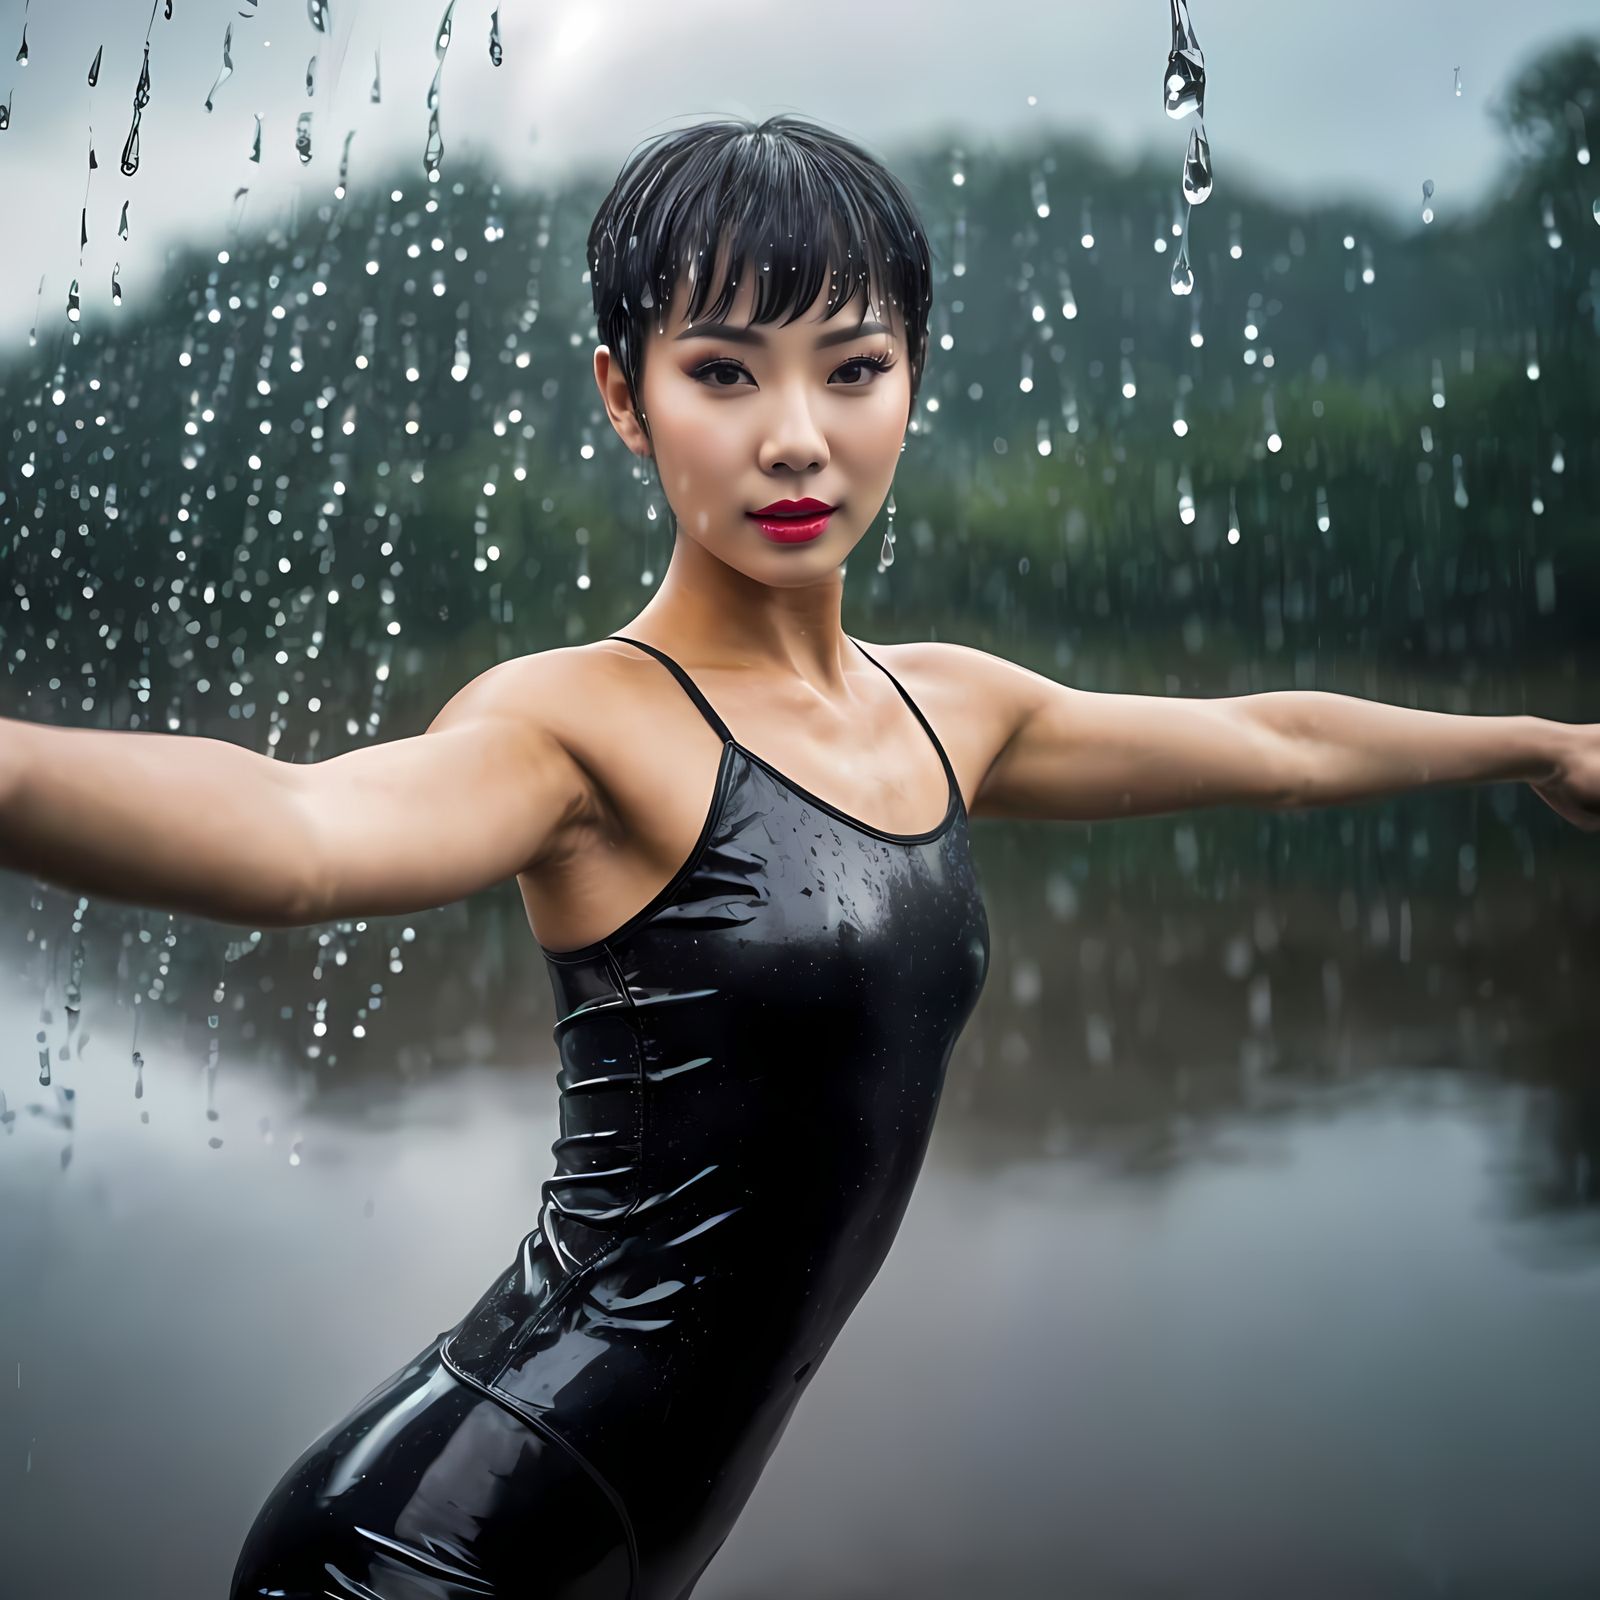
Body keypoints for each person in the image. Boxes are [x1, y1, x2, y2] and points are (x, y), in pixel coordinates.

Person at [1, 114, 1595, 1600]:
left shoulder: (951, 708)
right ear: (625, 395)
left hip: (640, 1551)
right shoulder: (581, 728)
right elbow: (289, 836)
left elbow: (1281, 750)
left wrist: (1540, 745)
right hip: (430, 1542)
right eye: (722, 373)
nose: (795, 440)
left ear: (912, 380)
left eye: (851, 369)